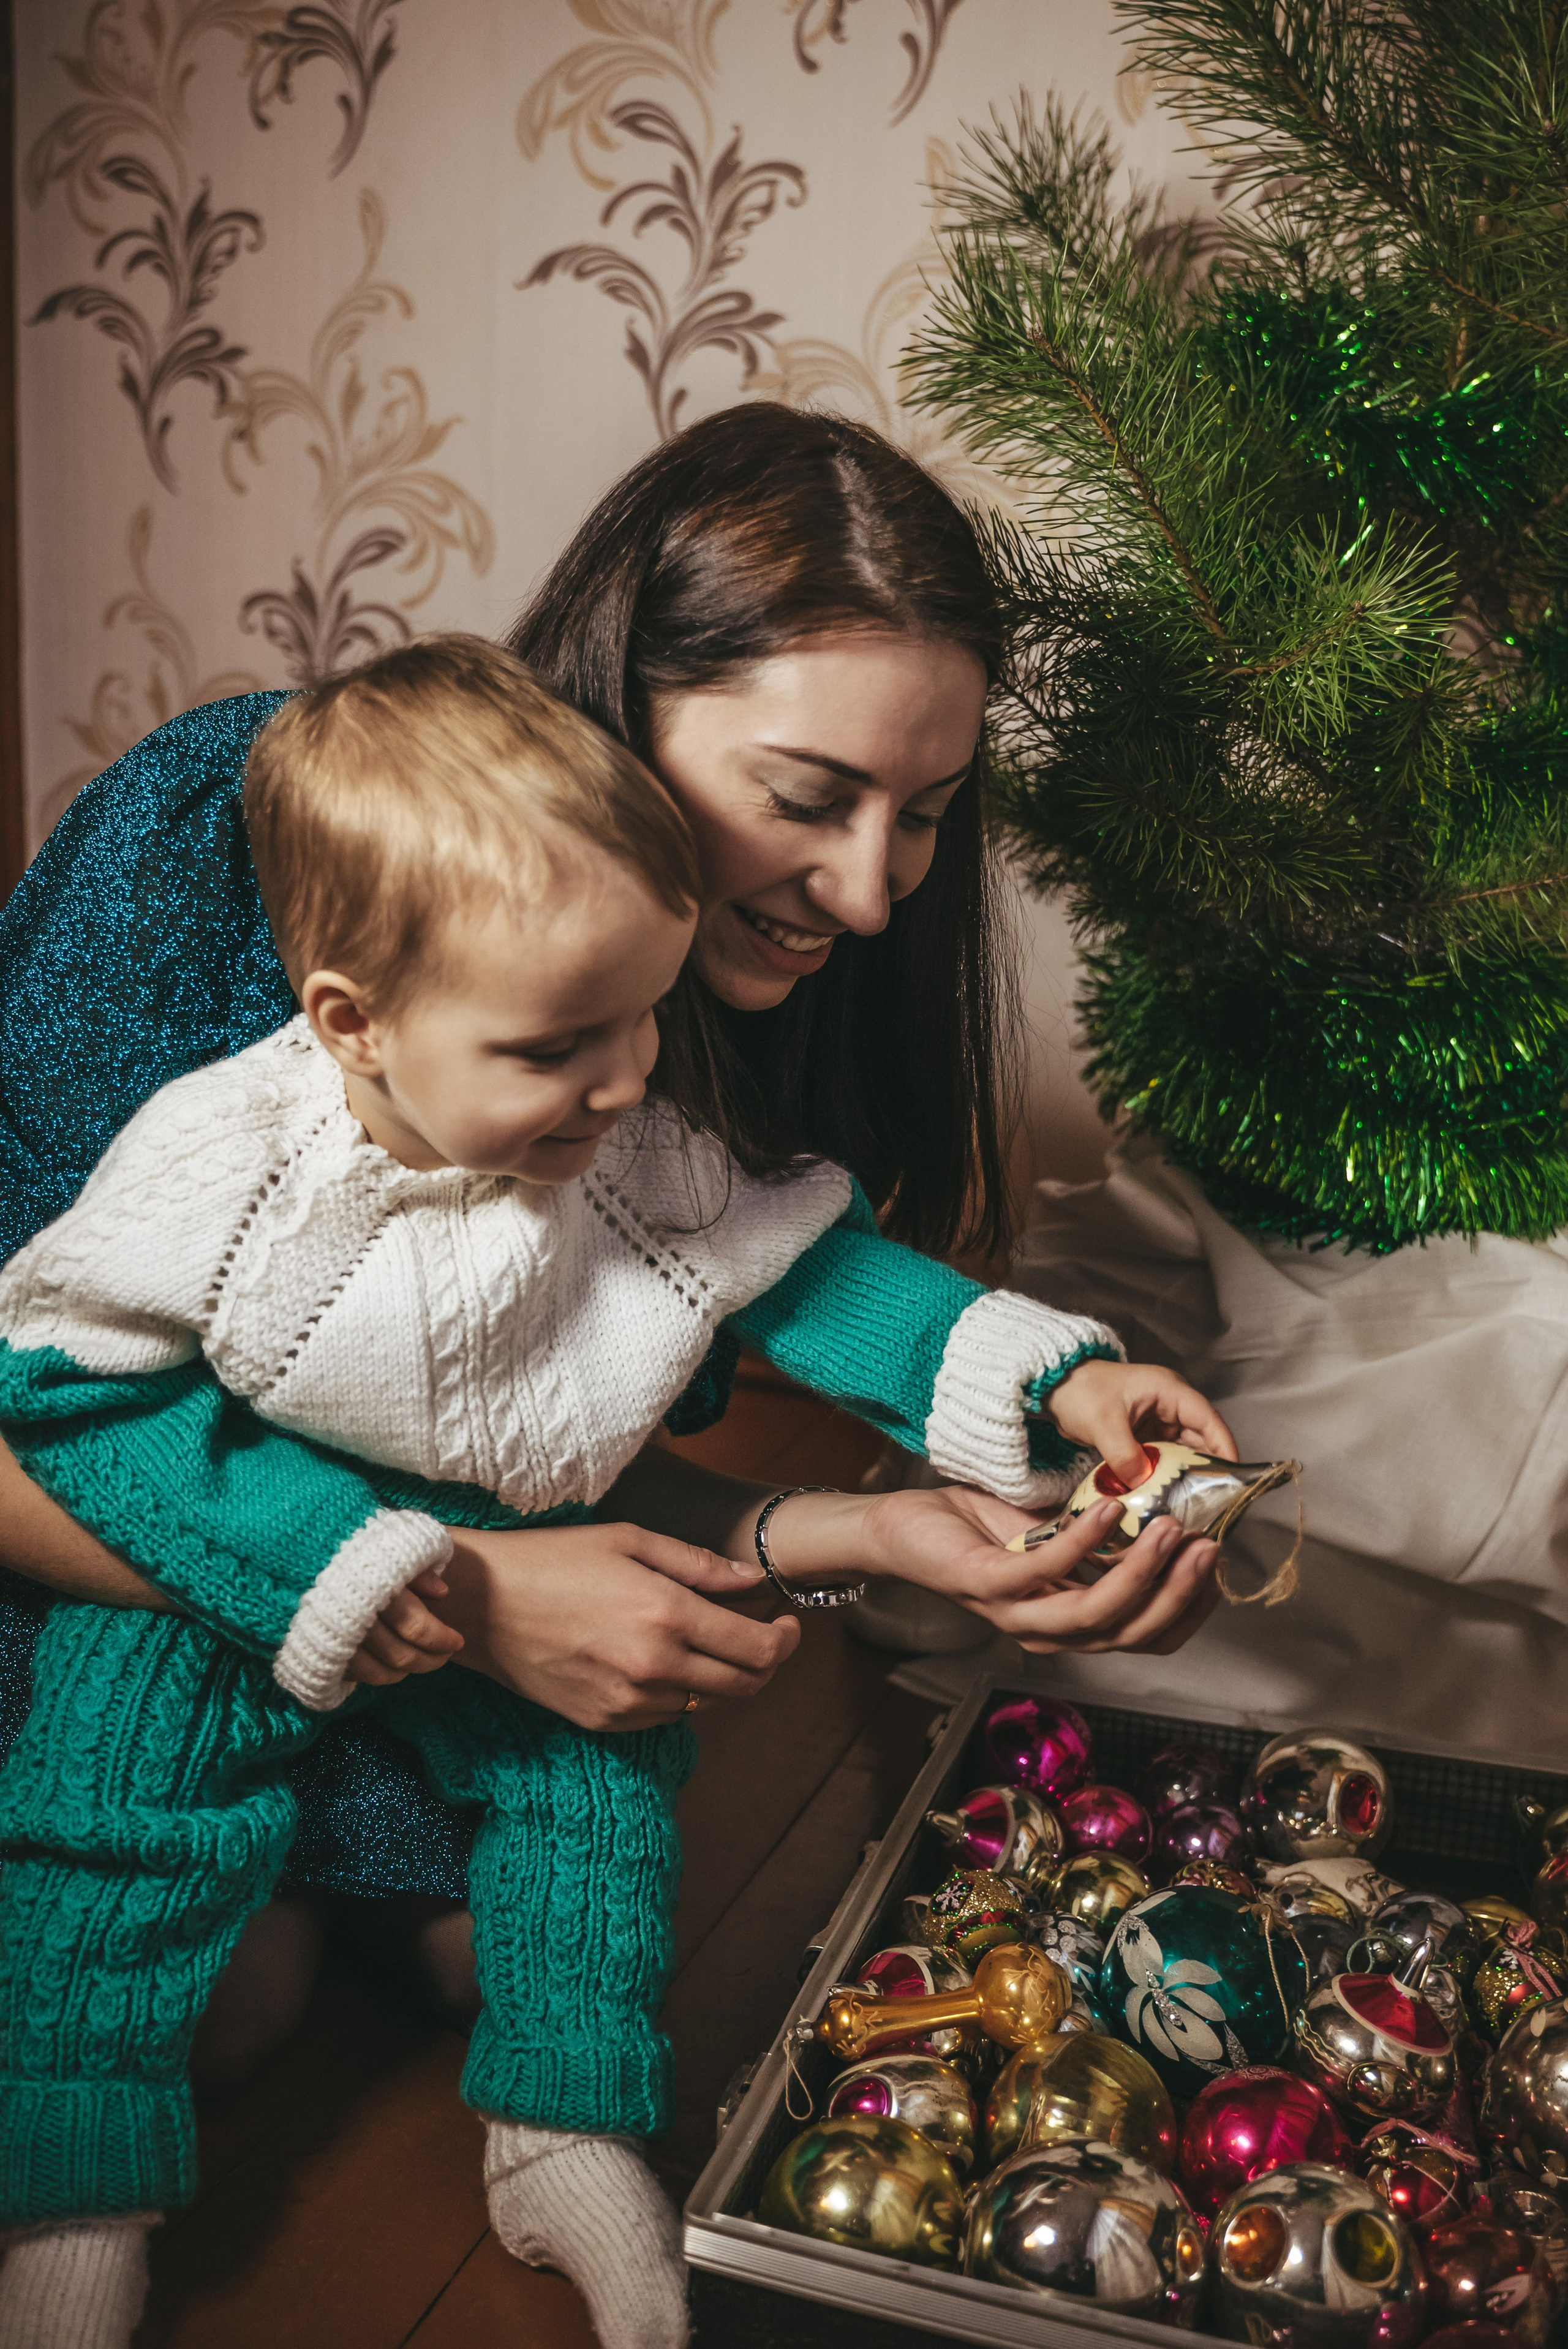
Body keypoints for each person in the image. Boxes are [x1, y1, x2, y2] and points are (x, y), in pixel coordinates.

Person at [0, 404, 1231, 2180]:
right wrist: (476, 1597)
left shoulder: (696, 1025)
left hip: (379, 1599)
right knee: (214, 1999)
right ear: (617, 699)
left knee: (518, 1959)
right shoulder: (226, 842)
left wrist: (897, 1526)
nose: (875, 895)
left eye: (931, 818)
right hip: (124, 1562)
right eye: (807, 799)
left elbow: (522, 1429)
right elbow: (50, 1420)